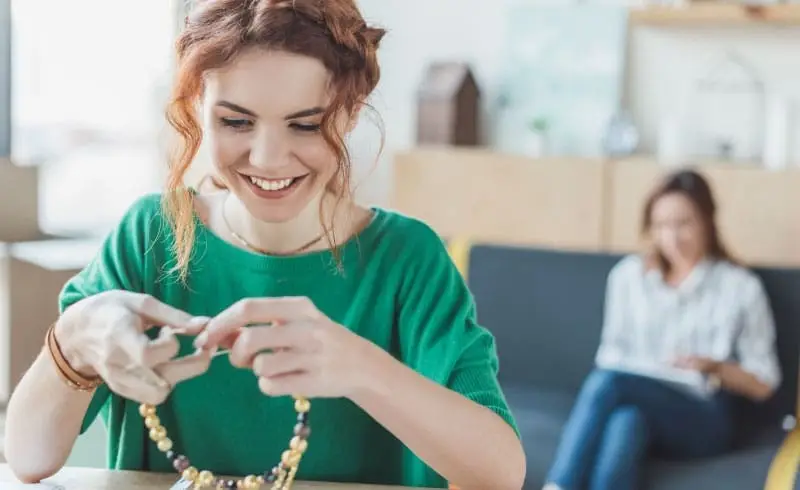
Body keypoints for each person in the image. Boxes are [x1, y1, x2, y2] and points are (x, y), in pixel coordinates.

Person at [3, 1, 526, 489]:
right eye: (236, 121)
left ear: (351, 112)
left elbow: (501, 472)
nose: (269, 158)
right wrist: (74, 340)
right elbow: (26, 457)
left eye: (306, 125)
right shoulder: (151, 235)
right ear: (197, 106)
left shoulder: (407, 258)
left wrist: (362, 369)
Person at [543, 169, 781, 490]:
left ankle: (557, 485)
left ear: (708, 221)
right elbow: (611, 353)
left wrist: (715, 367)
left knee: (607, 383)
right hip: (638, 400)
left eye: (684, 223)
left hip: (702, 416)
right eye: (662, 225)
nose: (673, 237)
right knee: (627, 421)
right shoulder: (628, 277)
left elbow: (765, 383)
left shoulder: (740, 287)